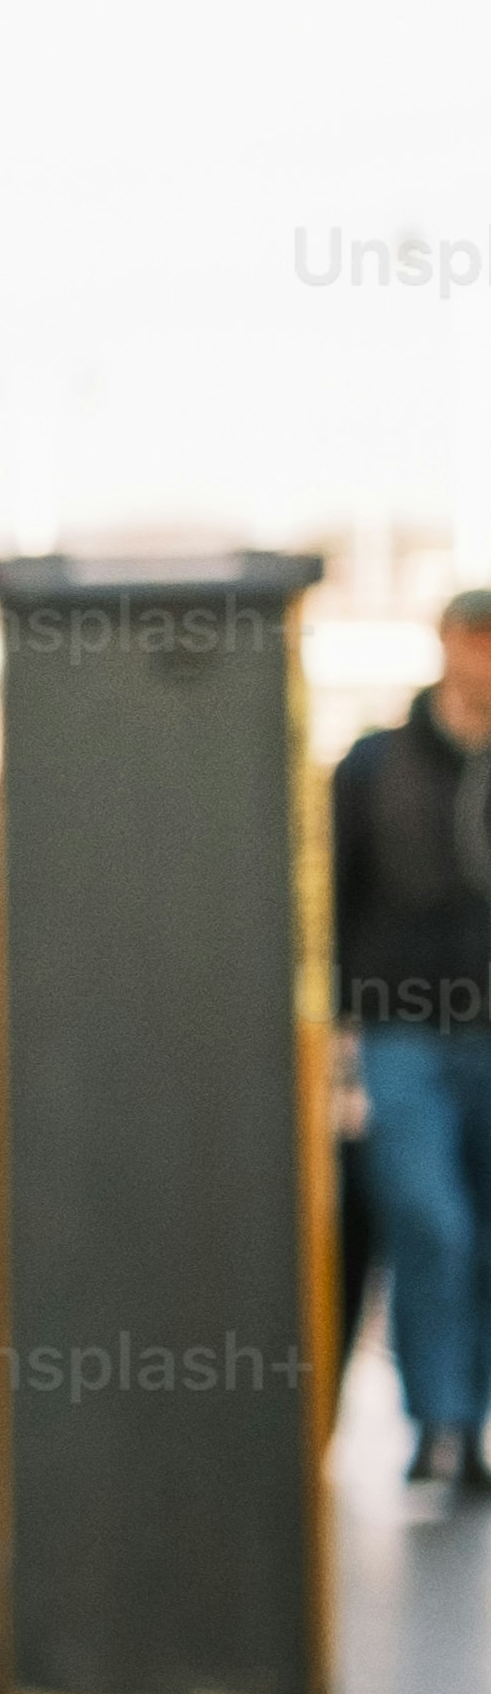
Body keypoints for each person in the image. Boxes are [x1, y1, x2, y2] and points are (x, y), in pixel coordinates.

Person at [339, 585, 491, 1494]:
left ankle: (469, 1421)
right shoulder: (374, 766)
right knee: (431, 1222)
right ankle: (437, 1417)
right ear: (446, 645)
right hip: (403, 1034)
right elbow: (332, 898)